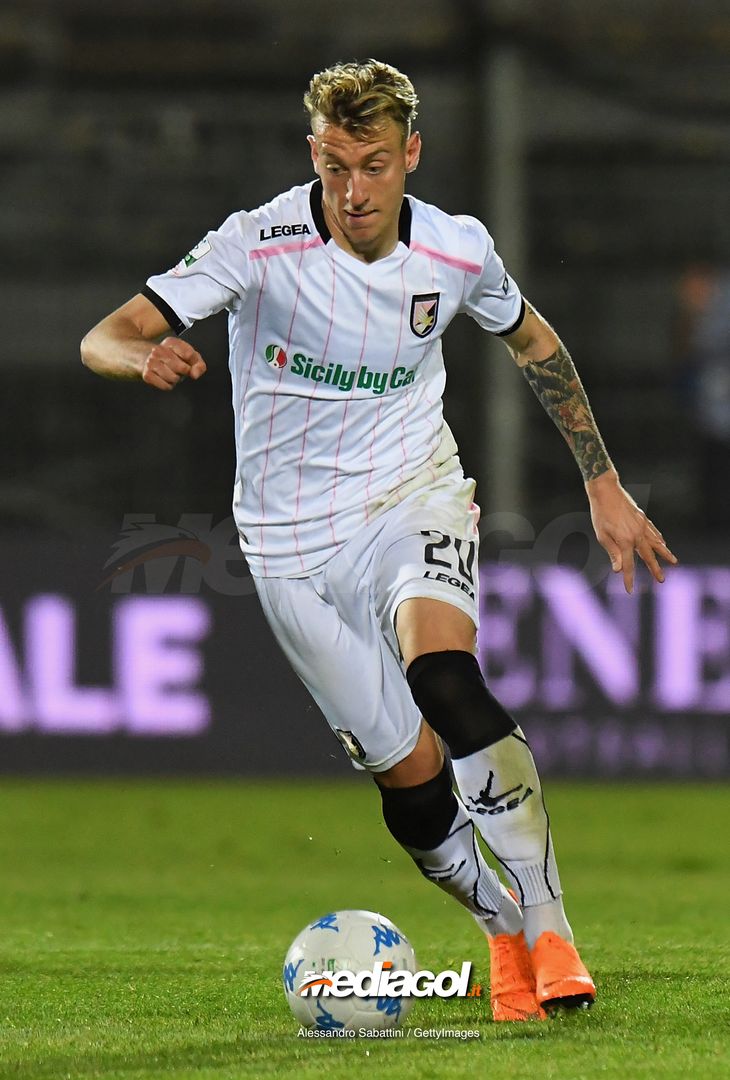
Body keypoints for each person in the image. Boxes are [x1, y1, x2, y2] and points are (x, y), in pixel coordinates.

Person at [80, 59, 677, 1023]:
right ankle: (500, 929)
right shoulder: (255, 243)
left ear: (412, 156)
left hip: (411, 496)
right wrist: (140, 354)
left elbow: (534, 341)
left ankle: (550, 922)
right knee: (406, 771)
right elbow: (104, 334)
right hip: (288, 550)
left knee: (444, 674)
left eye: (374, 166)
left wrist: (600, 482)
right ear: (312, 155)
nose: (354, 192)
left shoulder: (456, 250)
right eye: (334, 166)